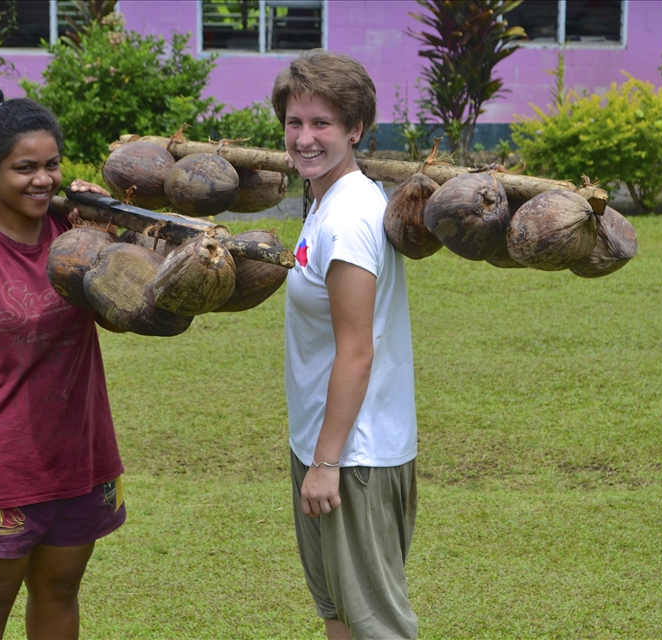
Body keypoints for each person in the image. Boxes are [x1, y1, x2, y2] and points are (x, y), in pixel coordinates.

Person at [0, 88, 124, 640]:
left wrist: (107, 227)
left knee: (59, 590)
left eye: (52, 165)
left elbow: (129, 306)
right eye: (25, 168)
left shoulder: (76, 236)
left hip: (78, 455)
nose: (43, 180)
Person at [272, 50, 419, 639]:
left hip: (354, 456)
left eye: (322, 124)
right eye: (294, 122)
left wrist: (326, 463)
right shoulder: (324, 199)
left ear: (355, 129)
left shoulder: (351, 216)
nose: (304, 138)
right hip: (323, 445)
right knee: (338, 615)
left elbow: (358, 350)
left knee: (377, 627)